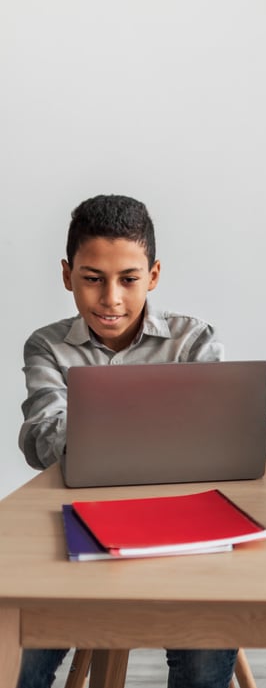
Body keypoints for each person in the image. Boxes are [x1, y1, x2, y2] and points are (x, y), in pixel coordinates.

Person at [17, 194, 237, 688]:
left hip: (181, 524)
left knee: (204, 649)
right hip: (78, 521)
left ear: (153, 276)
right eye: (92, 278)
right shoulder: (47, 346)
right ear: (67, 275)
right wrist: (165, 420)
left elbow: (217, 439)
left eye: (129, 279)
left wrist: (97, 422)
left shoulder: (193, 340)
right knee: (21, 645)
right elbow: (48, 442)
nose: (110, 297)